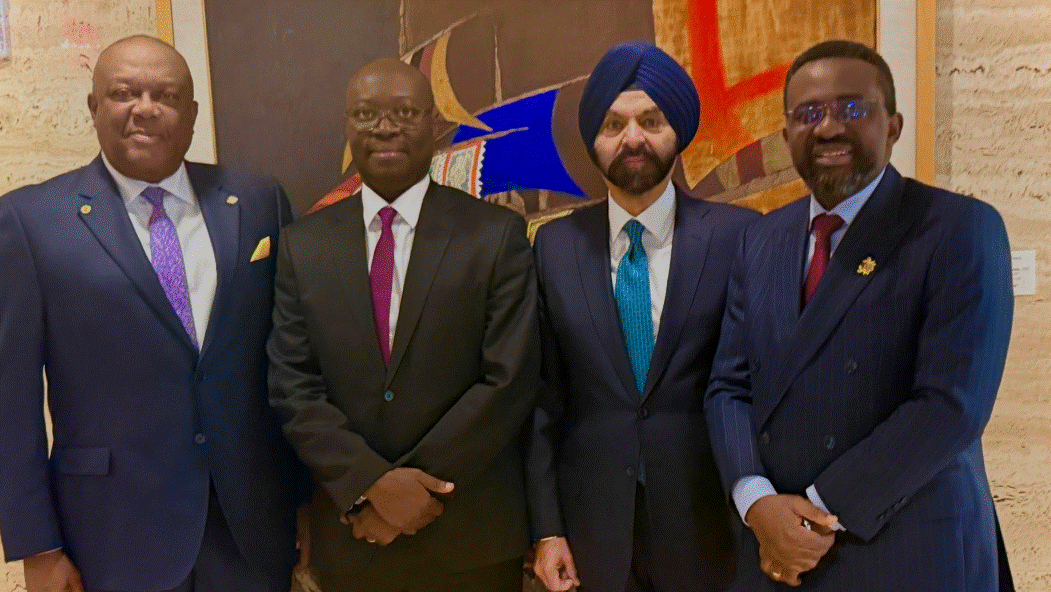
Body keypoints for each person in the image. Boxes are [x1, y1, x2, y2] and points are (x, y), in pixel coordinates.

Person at [705, 39, 1015, 591]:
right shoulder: (761, 239)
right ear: (786, 135)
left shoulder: (958, 228)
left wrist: (814, 514)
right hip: (776, 550)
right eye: (808, 114)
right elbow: (729, 384)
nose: (828, 127)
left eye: (852, 108)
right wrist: (756, 501)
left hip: (906, 549)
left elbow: (951, 406)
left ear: (893, 126)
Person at [0, 35, 306, 592]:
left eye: (166, 95)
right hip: (110, 534)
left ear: (192, 113)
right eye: (124, 93)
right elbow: (10, 397)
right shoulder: (30, 220)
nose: (145, 108)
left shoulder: (258, 201)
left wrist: (307, 504)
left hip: (251, 528)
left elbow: (293, 362)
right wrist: (37, 545)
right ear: (94, 107)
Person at [267, 57, 539, 592]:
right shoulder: (303, 245)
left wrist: (404, 496)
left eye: (405, 112)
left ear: (435, 125)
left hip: (470, 538)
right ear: (347, 126)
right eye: (366, 114)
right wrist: (369, 485)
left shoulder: (495, 235)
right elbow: (293, 385)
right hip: (354, 538)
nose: (385, 128)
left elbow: (508, 380)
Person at [525, 42, 758, 592]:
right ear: (593, 139)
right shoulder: (554, 246)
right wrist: (547, 529)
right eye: (613, 124)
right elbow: (541, 399)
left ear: (678, 132)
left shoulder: (739, 236)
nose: (632, 138)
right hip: (592, 532)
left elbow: (755, 384)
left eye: (651, 121)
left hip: (711, 525)